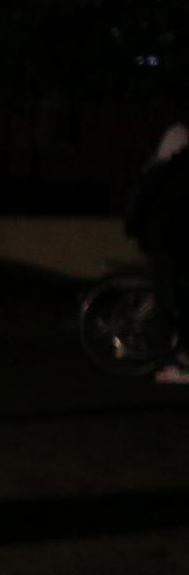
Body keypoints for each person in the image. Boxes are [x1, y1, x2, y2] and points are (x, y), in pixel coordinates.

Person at [127, 116, 189, 384]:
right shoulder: (173, 171)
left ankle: (177, 355)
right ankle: (167, 364)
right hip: (165, 245)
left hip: (157, 243)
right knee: (169, 302)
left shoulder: (156, 168)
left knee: (170, 299)